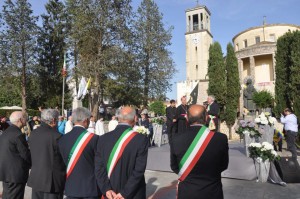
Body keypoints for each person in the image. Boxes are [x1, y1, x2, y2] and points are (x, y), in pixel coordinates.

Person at [171, 105, 229, 199]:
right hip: (212, 191)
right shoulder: (221, 138)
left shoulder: (176, 139)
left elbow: (174, 166)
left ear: (186, 118)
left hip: (187, 192)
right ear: (206, 117)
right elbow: (224, 165)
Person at [96, 106, 149, 199]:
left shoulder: (103, 139)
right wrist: (124, 193)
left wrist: (106, 189)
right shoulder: (141, 139)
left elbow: (98, 168)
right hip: (133, 193)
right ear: (135, 119)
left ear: (118, 118)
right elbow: (139, 170)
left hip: (110, 194)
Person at [58, 107, 100, 199]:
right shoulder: (94, 138)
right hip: (90, 188)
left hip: (71, 187)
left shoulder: (62, 139)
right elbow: (99, 165)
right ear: (85, 120)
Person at [27, 109, 66, 199]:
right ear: (53, 121)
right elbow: (63, 158)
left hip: (37, 177)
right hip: (52, 181)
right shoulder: (57, 136)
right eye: (56, 120)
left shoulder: (33, 134)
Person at [0, 111, 31, 199]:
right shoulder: (18, 134)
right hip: (15, 175)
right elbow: (25, 154)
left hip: (7, 172)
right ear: (20, 120)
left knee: (8, 196)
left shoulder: (6, 132)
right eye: (25, 118)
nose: (26, 120)